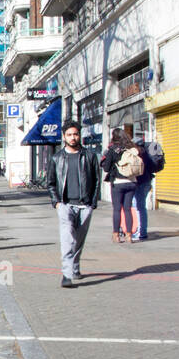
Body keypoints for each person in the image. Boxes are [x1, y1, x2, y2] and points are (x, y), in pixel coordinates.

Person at [47, 120, 101, 287]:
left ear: (80, 135)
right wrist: (56, 203)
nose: (73, 137)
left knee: (78, 240)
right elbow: (51, 183)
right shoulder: (56, 158)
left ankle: (75, 268)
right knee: (68, 238)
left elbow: (97, 180)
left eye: (75, 134)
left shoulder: (90, 156)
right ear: (64, 137)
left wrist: (92, 203)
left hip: (85, 205)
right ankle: (66, 274)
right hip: (65, 205)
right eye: (69, 135)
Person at [101, 127, 142, 244]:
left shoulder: (113, 150)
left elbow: (106, 168)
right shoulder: (132, 149)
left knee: (117, 210)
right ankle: (129, 235)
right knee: (128, 209)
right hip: (132, 182)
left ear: (114, 137)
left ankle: (116, 235)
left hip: (118, 183)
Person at [124, 122, 156, 242]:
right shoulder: (146, 153)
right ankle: (141, 230)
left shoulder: (137, 154)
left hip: (139, 183)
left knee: (139, 207)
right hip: (147, 182)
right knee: (140, 207)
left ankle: (141, 232)